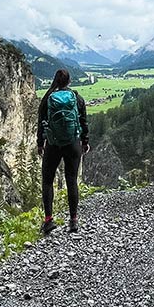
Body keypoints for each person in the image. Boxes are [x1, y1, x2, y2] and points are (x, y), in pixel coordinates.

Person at [36, 69, 89, 235]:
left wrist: (40, 143)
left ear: (55, 81)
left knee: (47, 180)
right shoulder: (77, 98)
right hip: (73, 144)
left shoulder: (48, 99)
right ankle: (73, 221)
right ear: (69, 81)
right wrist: (85, 141)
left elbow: (41, 122)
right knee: (71, 180)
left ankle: (48, 220)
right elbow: (83, 121)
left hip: (53, 144)